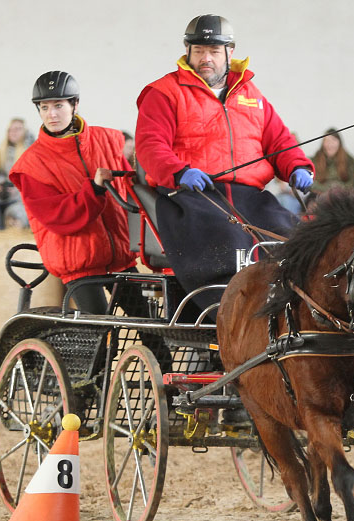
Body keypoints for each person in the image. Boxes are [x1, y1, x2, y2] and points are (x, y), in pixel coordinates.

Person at [135, 14, 313, 308]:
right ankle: (227, 311)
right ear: (188, 51)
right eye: (199, 50)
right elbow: (150, 145)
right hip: (191, 194)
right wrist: (179, 172)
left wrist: (297, 166)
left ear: (230, 52)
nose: (206, 58)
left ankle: (289, 309)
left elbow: (280, 140)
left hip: (249, 196)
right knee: (228, 241)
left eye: (214, 51)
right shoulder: (163, 92)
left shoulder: (252, 96)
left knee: (293, 237)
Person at [9, 71, 138, 315]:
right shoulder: (32, 164)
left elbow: (132, 190)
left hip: (120, 258)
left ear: (74, 105)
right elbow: (58, 216)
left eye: (58, 105)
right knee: (100, 333)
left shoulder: (107, 140)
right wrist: (95, 189)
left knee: (150, 326)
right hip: (79, 264)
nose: (52, 114)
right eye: (44, 107)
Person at [0, 118, 34, 228]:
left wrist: (16, 189)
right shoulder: (2, 151)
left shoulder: (32, 152)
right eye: (10, 129)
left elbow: (31, 179)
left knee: (14, 215)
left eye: (18, 129)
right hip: (5, 193)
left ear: (25, 131)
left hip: (23, 194)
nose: (13, 132)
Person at [311, 128, 354, 194]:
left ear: (339, 142)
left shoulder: (349, 159)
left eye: (333, 140)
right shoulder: (315, 159)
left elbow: (353, 181)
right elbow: (311, 182)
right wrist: (325, 189)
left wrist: (339, 188)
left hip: (342, 195)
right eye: (326, 140)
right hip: (319, 194)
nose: (330, 144)